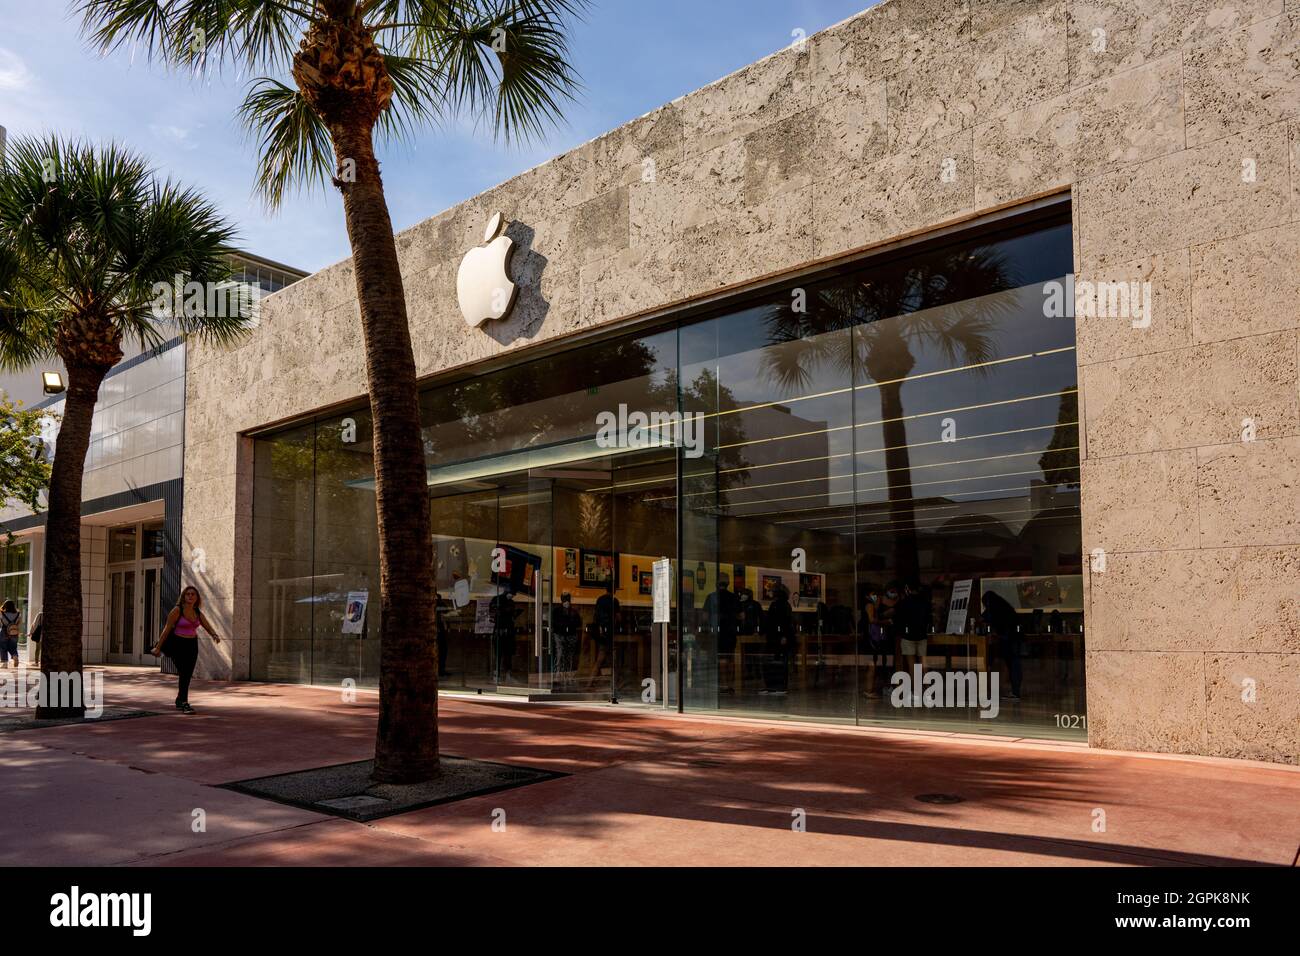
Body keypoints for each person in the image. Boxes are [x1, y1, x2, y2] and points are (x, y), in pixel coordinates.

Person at [150, 585, 221, 713]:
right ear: (183, 596)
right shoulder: (177, 610)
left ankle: (180, 699)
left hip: (192, 644)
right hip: (178, 644)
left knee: (187, 674)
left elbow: (206, 625)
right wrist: (158, 647)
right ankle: (184, 702)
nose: (190, 596)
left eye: (193, 594)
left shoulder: (197, 612)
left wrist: (214, 634)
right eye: (188, 594)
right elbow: (166, 630)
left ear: (197, 597)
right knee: (184, 673)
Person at [982, 589, 1021, 701]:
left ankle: (1015, 693)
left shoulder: (995, 609)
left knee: (1013, 664)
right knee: (1014, 664)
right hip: (1013, 639)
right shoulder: (1004, 606)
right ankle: (1015, 691)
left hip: (1009, 639)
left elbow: (986, 618)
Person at [703, 573, 739, 693]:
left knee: (720, 659)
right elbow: (741, 616)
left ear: (716, 583)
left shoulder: (711, 597)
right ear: (728, 583)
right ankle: (730, 684)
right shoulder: (734, 597)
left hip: (717, 632)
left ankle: (722, 684)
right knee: (730, 658)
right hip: (731, 632)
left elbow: (705, 616)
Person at [762, 584, 795, 695]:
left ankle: (777, 686)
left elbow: (784, 622)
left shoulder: (779, 605)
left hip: (777, 636)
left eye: (770, 591)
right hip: (778, 636)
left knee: (777, 661)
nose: (768, 593)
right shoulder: (782, 604)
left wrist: (784, 635)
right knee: (777, 661)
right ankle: (776, 686)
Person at [551, 592, 582, 689]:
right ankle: (558, 676)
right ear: (562, 600)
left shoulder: (573, 611)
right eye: (565, 600)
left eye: (568, 600)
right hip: (560, 635)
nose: (566, 602)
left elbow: (578, 623)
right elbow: (554, 623)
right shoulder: (557, 611)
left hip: (570, 635)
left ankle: (567, 676)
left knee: (569, 656)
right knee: (560, 655)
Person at [0, 600, 20, 668]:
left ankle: (4, 663)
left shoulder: (2, 613)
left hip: (4, 631)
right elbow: (18, 623)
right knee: (13, 647)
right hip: (14, 632)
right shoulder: (18, 614)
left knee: (3, 647)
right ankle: (15, 656)